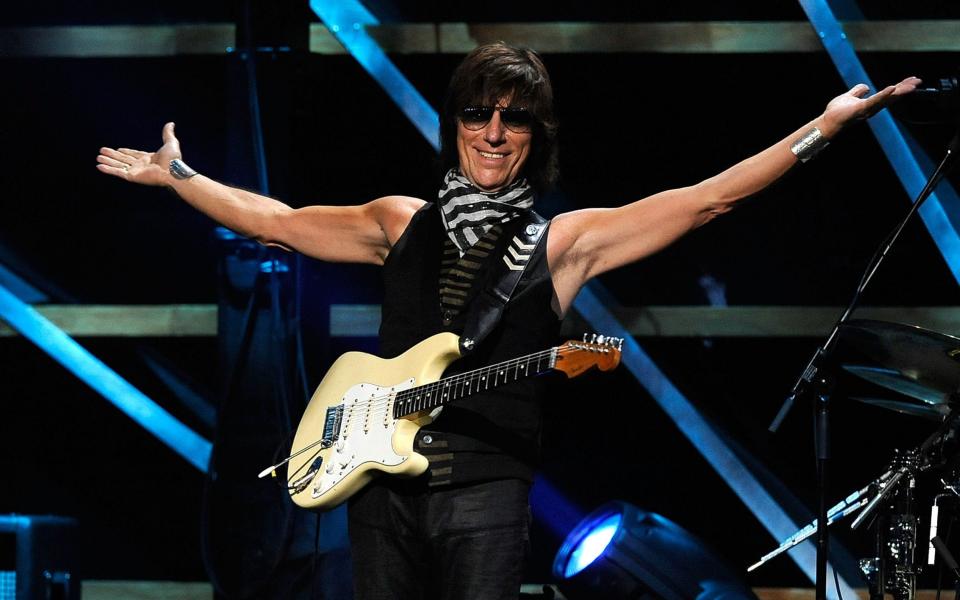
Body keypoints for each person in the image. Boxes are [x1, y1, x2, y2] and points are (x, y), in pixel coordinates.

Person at [97, 42, 918, 600]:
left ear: (536, 134)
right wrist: (182, 179)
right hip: (378, 487)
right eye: (479, 115)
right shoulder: (399, 220)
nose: (494, 134)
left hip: (486, 495)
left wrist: (825, 129)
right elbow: (274, 219)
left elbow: (708, 200)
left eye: (514, 119)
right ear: (456, 122)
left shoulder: (563, 243)